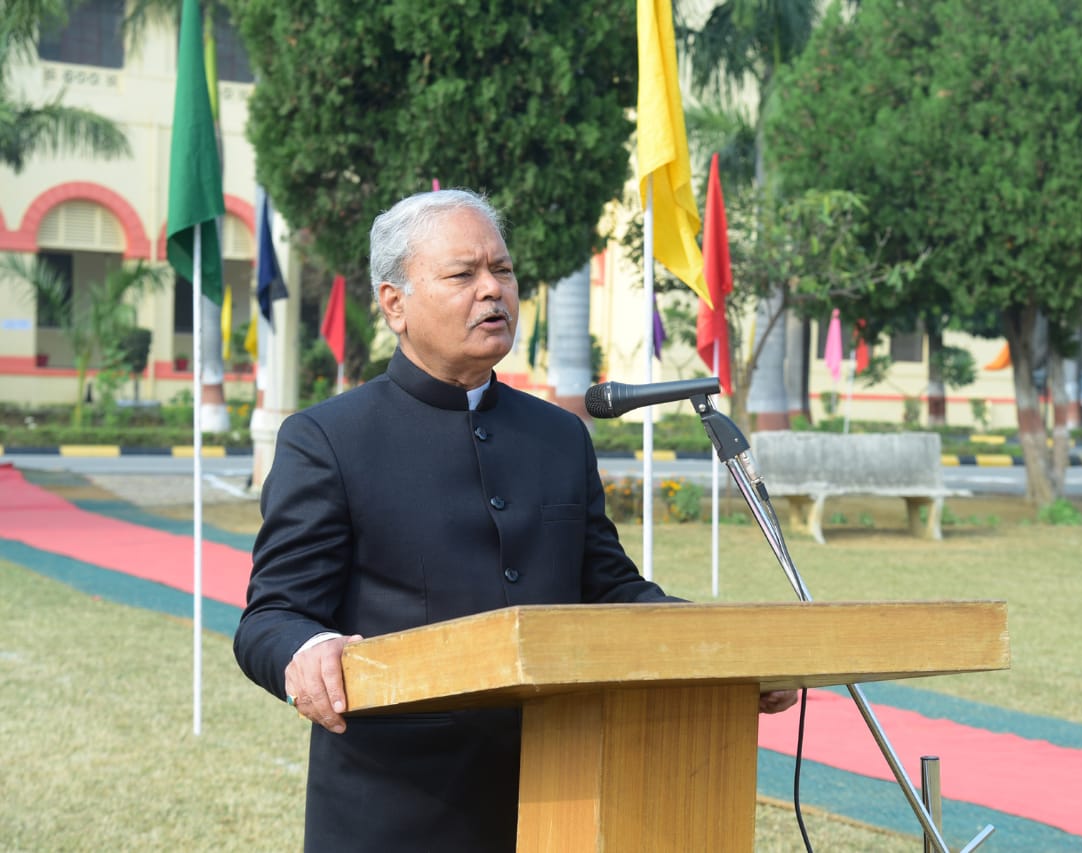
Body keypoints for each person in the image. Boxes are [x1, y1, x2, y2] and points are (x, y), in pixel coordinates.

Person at [233, 188, 796, 852]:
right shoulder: (328, 438)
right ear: (394, 304)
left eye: (502, 270)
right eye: (463, 274)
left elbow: (609, 590)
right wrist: (304, 652)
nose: (492, 290)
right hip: (394, 808)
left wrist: (727, 649)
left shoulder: (558, 436)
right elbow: (272, 616)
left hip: (564, 795)